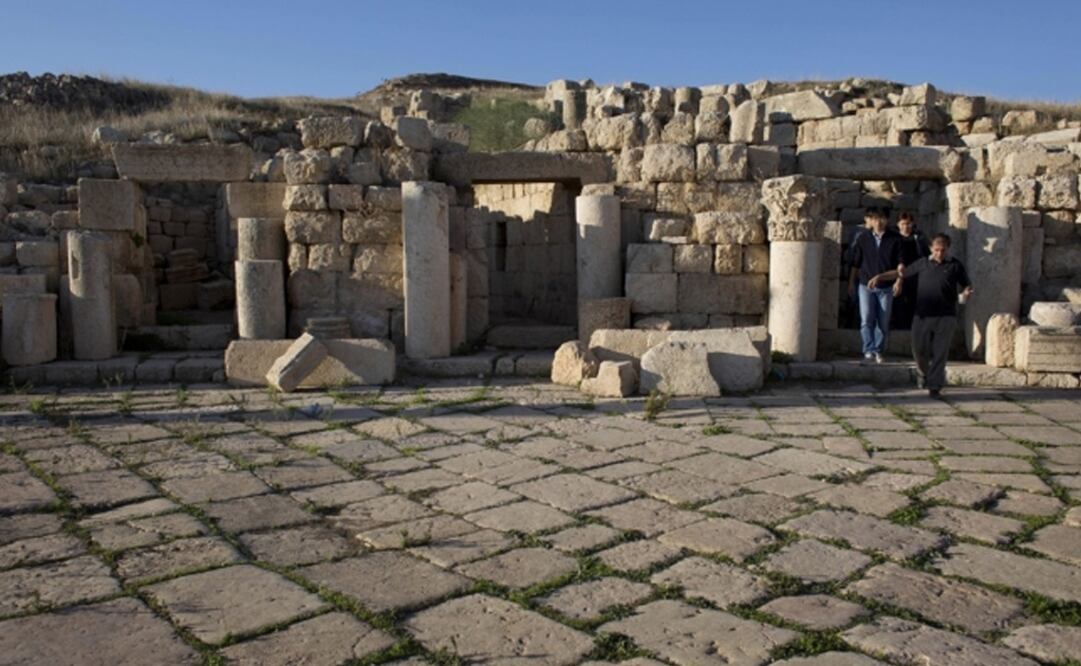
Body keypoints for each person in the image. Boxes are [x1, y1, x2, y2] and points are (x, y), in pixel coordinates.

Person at [869, 233, 973, 397]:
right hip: (922, 315)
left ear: (948, 249)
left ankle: (935, 385)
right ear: (931, 248)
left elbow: (966, 284)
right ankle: (923, 373)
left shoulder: (955, 265)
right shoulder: (923, 263)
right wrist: (880, 276)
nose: (939, 253)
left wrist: (966, 293)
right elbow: (901, 273)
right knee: (919, 350)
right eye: (937, 250)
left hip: (946, 315)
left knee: (940, 352)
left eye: (943, 250)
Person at [848, 208, 903, 364]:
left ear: (887, 220)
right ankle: (868, 350)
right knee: (866, 319)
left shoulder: (895, 239)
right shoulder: (863, 238)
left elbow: (901, 263)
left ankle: (878, 350)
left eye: (882, 218)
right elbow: (856, 263)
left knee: (883, 322)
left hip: (886, 286)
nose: (879, 222)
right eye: (875, 218)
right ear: (870, 220)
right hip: (865, 285)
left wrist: (899, 281)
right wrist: (851, 282)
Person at [891, 212, 930, 330]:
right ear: (898, 224)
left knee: (914, 302)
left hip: (915, 274)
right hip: (897, 274)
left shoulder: (919, 238)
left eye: (908, 223)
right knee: (898, 301)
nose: (906, 226)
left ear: (912, 223)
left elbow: (926, 255)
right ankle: (899, 327)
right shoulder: (893, 238)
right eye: (903, 224)